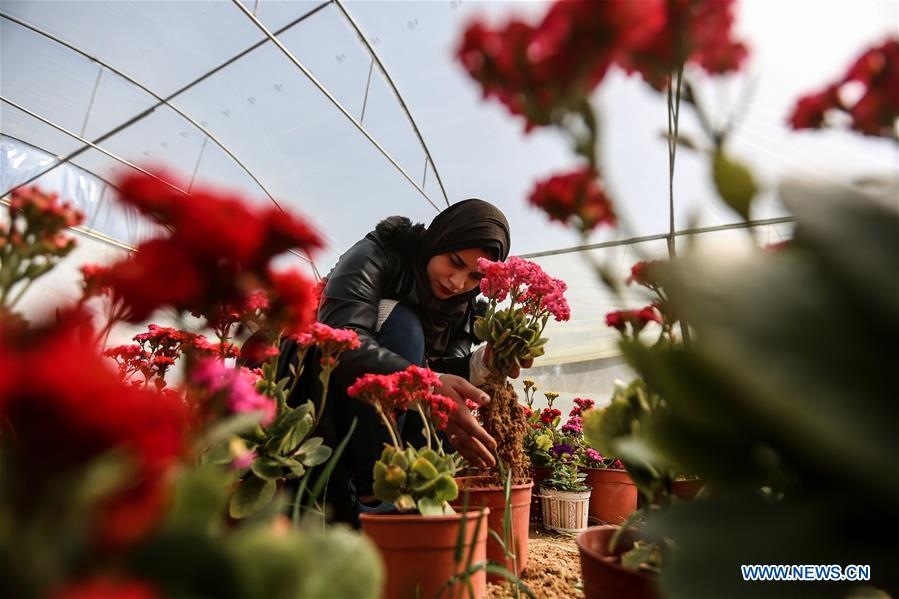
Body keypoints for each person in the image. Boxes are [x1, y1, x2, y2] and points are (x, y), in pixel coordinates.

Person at [278, 199, 515, 525]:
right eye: (454, 261)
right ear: (440, 240)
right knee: (403, 323)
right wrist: (428, 383)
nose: (457, 282)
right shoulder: (379, 253)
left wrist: (481, 364)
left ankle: (407, 490)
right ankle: (375, 495)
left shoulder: (462, 307)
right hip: (315, 380)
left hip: (381, 410)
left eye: (474, 276)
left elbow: (439, 368)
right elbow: (341, 335)